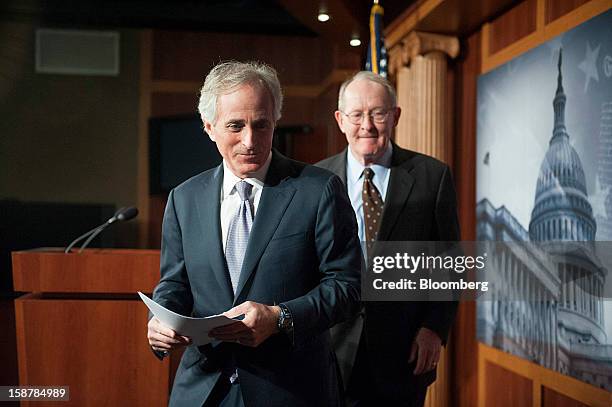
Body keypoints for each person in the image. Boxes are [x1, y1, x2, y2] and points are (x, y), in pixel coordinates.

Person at [147, 61, 361, 407]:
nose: (250, 140)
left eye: (261, 125)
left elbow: (348, 287)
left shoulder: (318, 190)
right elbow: (174, 285)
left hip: (290, 390)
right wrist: (160, 320)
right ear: (209, 127)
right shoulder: (184, 199)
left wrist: (281, 318)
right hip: (204, 389)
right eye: (236, 126)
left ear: (275, 121)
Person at [316, 71, 460, 407]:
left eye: (378, 113)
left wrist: (434, 328)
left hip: (405, 350)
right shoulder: (317, 181)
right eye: (356, 115)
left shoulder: (431, 176)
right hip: (331, 351)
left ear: (395, 116)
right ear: (340, 120)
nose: (367, 125)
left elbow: (451, 262)